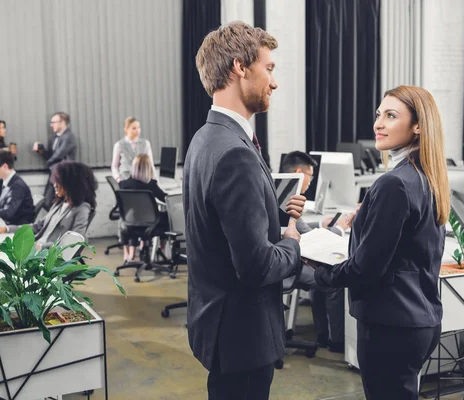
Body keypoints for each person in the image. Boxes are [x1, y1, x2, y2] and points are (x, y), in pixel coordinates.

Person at [184, 22, 304, 400]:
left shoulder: (206, 137)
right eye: (269, 69)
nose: (274, 82)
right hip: (243, 335)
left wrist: (273, 212)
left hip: (218, 326)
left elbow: (222, 227)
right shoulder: (236, 151)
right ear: (240, 67)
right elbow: (255, 267)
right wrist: (292, 243)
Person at [313, 85, 450, 399]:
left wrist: (319, 273)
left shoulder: (394, 183)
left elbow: (366, 268)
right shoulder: (424, 177)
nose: (378, 123)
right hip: (417, 320)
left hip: (390, 324)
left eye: (390, 116)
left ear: (418, 126)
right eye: (378, 115)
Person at [281, 151, 354, 352]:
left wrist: (320, 223)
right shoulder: (290, 199)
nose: (311, 181)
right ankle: (336, 341)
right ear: (299, 172)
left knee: (319, 275)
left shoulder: (281, 191)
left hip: (281, 258)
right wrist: (340, 227)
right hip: (287, 264)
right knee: (331, 281)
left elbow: (298, 226)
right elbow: (305, 239)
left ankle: (323, 335)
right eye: (311, 176)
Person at [0, 161, 97, 249]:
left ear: (72, 184)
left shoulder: (82, 209)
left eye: (59, 182)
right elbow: (37, 227)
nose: (54, 185)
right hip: (35, 249)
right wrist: (5, 229)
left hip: (45, 257)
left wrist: (39, 247)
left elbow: (73, 244)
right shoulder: (59, 204)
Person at [118, 154, 168, 262]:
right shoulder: (151, 185)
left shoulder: (123, 185)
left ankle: (131, 254)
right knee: (167, 217)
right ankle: (162, 249)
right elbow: (165, 199)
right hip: (151, 224)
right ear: (148, 168)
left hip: (130, 222)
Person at [33, 112, 78, 209]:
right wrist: (40, 150)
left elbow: (58, 155)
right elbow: (50, 155)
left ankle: (59, 221)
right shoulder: (54, 138)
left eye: (54, 122)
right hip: (55, 172)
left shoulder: (69, 137)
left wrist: (47, 164)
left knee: (54, 202)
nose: (51, 125)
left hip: (64, 175)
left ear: (62, 123)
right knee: (47, 202)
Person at [111, 117, 157, 182]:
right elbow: (114, 167)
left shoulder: (146, 143)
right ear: (126, 129)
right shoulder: (119, 145)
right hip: (125, 180)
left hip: (143, 181)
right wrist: (118, 179)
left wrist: (155, 180)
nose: (137, 130)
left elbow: (151, 165)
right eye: (134, 128)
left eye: (138, 127)